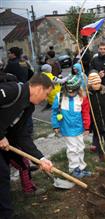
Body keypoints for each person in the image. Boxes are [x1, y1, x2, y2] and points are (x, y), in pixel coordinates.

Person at [0, 73, 53, 219]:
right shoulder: (11, 91)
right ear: (39, 88)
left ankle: (6, 213)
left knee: (3, 175)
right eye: (46, 94)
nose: (45, 99)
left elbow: (22, 136)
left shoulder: (28, 107)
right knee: (2, 173)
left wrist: (40, 159)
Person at [51, 75, 91, 178]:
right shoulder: (59, 97)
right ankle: (74, 168)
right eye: (69, 91)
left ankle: (81, 167)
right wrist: (55, 125)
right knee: (72, 148)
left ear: (78, 89)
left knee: (80, 147)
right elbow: (54, 112)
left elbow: (86, 113)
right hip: (67, 128)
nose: (71, 93)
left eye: (73, 91)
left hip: (79, 127)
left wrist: (87, 127)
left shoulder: (82, 98)